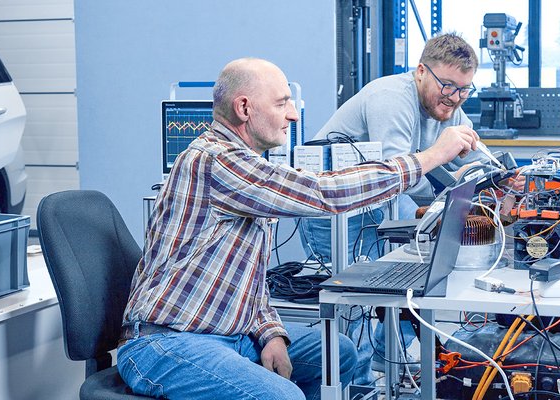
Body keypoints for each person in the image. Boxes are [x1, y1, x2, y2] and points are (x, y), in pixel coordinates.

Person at [117, 57, 479, 400]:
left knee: (339, 353)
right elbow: (322, 192)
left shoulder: (245, 167)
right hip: (165, 343)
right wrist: (430, 157)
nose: (293, 115)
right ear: (244, 109)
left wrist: (270, 332)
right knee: (285, 395)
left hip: (228, 336)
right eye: (282, 104)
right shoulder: (214, 160)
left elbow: (245, 278)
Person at [298, 32, 487, 383]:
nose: (454, 98)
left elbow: (473, 153)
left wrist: (497, 175)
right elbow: (394, 175)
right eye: (447, 85)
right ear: (420, 72)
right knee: (352, 304)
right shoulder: (392, 99)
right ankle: (356, 384)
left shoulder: (448, 107)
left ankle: (391, 364)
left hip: (379, 208)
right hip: (336, 213)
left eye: (464, 89)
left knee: (399, 285)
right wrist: (442, 188)